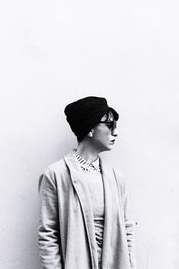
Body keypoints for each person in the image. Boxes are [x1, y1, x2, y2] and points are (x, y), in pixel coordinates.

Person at [38, 96, 136, 269]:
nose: (116, 132)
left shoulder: (116, 177)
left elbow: (128, 230)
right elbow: (48, 235)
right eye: (109, 125)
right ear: (90, 129)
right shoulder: (57, 174)